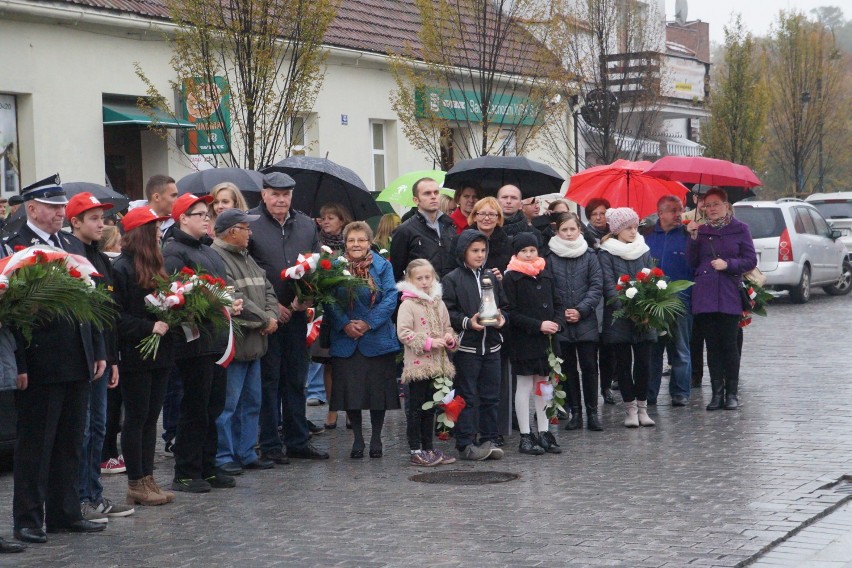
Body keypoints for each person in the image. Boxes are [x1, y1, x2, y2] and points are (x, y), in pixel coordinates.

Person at [4, 174, 107, 544]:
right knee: (36, 444)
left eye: (62, 207)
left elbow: (88, 302)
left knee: (69, 441)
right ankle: (28, 518)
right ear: (32, 209)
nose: (60, 213)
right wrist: (20, 363)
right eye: (52, 207)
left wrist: (96, 350)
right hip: (40, 359)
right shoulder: (15, 247)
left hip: (76, 356)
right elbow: (13, 313)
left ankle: (65, 512)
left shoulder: (68, 242)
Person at [163, 193, 242, 492]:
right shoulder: (174, 251)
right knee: (194, 408)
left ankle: (207, 467)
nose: (207, 218)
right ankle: (185, 471)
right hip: (194, 341)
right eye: (199, 214)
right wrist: (214, 304)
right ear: (183, 218)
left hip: (217, 339)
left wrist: (228, 303)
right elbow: (177, 295)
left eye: (206, 213)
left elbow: (219, 289)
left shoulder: (207, 250)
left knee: (213, 407)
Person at [248, 172, 327, 462]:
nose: (280, 200)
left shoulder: (306, 224)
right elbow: (248, 271)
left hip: (296, 314)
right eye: (275, 194)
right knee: (269, 381)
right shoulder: (250, 223)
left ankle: (297, 440)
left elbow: (316, 264)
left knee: (296, 379)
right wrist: (270, 306)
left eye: (286, 195)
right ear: (264, 195)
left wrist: (306, 296)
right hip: (264, 318)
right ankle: (269, 443)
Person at [66, 193, 135, 522]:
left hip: (103, 355)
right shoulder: (71, 255)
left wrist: (113, 356)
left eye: (103, 218)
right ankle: (81, 497)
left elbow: (108, 311)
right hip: (84, 356)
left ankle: (94, 494)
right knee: (85, 429)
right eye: (93, 218)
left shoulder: (101, 258)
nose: (102, 224)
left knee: (98, 427)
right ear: (75, 222)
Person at [112, 206, 175, 506]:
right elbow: (116, 317)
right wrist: (149, 326)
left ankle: (148, 477)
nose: (160, 234)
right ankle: (135, 481)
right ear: (142, 235)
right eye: (155, 230)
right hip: (135, 354)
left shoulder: (156, 268)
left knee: (151, 418)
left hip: (159, 354)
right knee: (136, 418)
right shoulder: (121, 268)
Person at [211, 209, 279, 473]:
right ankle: (224, 456)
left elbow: (268, 288)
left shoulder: (246, 256)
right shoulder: (218, 257)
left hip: (255, 342)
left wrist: (271, 316)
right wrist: (266, 319)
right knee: (228, 406)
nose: (250, 233)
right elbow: (234, 296)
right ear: (232, 231)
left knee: (251, 403)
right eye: (246, 228)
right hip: (236, 344)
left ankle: (246, 451)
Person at [326, 222, 400, 459]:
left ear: (370, 242)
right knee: (352, 393)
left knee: (378, 393)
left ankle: (376, 437)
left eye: (361, 240)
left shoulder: (382, 265)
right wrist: (345, 324)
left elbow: (390, 297)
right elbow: (327, 299)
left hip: (376, 338)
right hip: (346, 339)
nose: (356, 244)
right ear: (345, 243)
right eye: (351, 240)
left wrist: (368, 322)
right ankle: (357, 437)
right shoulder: (334, 267)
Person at [686, 188, 756, 411]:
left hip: (728, 293)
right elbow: (691, 261)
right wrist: (694, 238)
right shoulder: (701, 230)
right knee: (712, 346)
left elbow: (750, 260)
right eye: (707, 205)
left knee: (729, 344)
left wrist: (729, 265)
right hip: (705, 294)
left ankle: (732, 393)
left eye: (716, 204)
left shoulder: (740, 229)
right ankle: (716, 393)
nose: (712, 209)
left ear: (726, 205)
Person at [443, 230, 507, 461]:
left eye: (483, 251)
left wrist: (502, 320)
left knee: (491, 396)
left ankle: (490, 438)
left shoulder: (491, 276)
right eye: (475, 251)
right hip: (467, 348)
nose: (480, 255)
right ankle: (465, 442)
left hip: (492, 347)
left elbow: (505, 306)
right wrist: (466, 323)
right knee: (467, 396)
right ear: (463, 252)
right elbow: (447, 311)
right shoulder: (452, 279)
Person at [503, 232, 563, 456]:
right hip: (524, 340)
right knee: (525, 386)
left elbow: (558, 302)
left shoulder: (546, 275)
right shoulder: (511, 278)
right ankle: (526, 435)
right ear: (516, 253)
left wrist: (557, 322)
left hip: (547, 341)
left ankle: (544, 431)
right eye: (524, 251)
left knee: (544, 385)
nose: (529, 255)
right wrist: (538, 325)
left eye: (532, 251)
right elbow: (511, 312)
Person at [598, 207, 657, 428]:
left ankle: (643, 408)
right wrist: (629, 309)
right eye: (628, 228)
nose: (633, 231)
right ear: (616, 230)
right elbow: (608, 285)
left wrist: (645, 309)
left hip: (643, 318)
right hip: (619, 318)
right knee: (623, 365)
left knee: (644, 364)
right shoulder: (606, 253)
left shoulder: (643, 250)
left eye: (635, 227)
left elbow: (651, 279)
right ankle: (630, 409)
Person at [396, 259, 458, 466]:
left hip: (437, 365)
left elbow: (447, 327)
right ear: (411, 281)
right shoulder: (408, 304)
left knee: (430, 408)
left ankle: (428, 447)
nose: (424, 282)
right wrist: (429, 342)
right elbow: (404, 333)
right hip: (417, 367)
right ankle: (416, 449)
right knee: (415, 408)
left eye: (427, 277)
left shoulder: (438, 303)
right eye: (419, 278)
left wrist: (449, 339)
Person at [547, 212, 604, 431]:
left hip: (586, 319)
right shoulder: (550, 258)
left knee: (590, 366)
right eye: (564, 230)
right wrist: (563, 313)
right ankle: (576, 412)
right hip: (562, 321)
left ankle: (592, 412)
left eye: (573, 229)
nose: (569, 234)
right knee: (568, 368)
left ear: (579, 230)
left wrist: (581, 310)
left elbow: (596, 285)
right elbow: (550, 289)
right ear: (557, 232)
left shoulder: (590, 255)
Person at [645, 196, 693, 407]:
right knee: (653, 351)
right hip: (652, 303)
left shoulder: (688, 235)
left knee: (681, 350)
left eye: (679, 210)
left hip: (680, 302)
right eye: (672, 210)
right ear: (660, 213)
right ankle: (650, 393)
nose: (677, 214)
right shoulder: (646, 236)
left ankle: (680, 391)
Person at [311, 203, 353, 424]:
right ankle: (333, 409)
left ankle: (350, 409)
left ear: (342, 221)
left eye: (331, 218)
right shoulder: (317, 245)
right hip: (325, 311)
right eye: (323, 218)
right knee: (328, 362)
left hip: (348, 310)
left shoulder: (350, 245)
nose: (325, 221)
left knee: (348, 363)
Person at [389, 177, 456, 281]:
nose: (433, 197)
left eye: (436, 192)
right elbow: (395, 272)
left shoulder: (449, 226)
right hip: (420, 294)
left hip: (449, 293)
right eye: (427, 193)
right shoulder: (405, 230)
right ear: (416, 200)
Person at [584, 197, 616, 406]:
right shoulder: (583, 236)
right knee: (590, 350)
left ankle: (607, 386)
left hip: (609, 297)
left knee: (608, 347)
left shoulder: (615, 237)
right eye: (594, 213)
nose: (598, 217)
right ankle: (592, 389)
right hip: (590, 296)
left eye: (602, 213)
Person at [465, 197, 512, 275]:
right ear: (474, 217)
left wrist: (501, 279)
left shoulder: (507, 243)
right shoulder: (462, 241)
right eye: (482, 214)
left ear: (498, 218)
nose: (486, 218)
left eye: (492, 214)